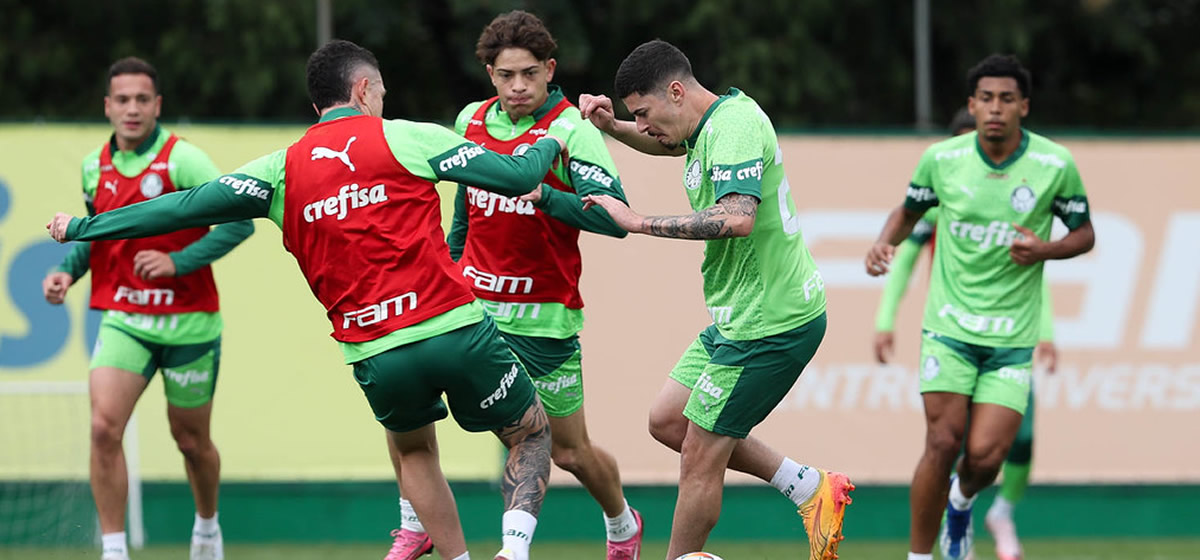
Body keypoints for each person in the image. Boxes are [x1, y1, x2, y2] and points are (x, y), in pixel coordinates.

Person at [47, 39, 572, 560]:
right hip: (455, 329)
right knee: (531, 436)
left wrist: (84, 227)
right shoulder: (409, 138)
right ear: (363, 89)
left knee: (413, 451)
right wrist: (554, 134)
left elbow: (180, 208)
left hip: (376, 354)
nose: (382, 101)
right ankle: (515, 550)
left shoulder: (279, 170)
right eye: (382, 91)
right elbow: (520, 177)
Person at [576, 39, 853, 560]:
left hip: (771, 322)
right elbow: (666, 141)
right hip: (738, 319)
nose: (644, 125)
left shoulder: (734, 127)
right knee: (668, 421)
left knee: (699, 456)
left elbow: (736, 218)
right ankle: (809, 488)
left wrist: (637, 222)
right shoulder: (704, 127)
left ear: (676, 91)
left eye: (643, 113)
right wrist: (613, 128)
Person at [384, 11, 642, 560]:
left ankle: (622, 523)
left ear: (550, 70)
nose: (518, 86)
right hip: (473, 311)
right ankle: (416, 524)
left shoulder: (569, 128)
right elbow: (465, 213)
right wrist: (448, 272)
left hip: (546, 318)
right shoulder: (470, 120)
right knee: (407, 396)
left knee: (570, 451)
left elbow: (615, 218)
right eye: (506, 75)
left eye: (529, 73)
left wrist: (548, 197)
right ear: (489, 73)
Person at [863, 54, 1094, 560]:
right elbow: (908, 212)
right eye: (985, 98)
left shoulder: (1054, 165)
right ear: (972, 104)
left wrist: (1046, 249)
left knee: (987, 456)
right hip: (949, 329)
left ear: (1024, 106)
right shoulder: (942, 161)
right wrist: (886, 243)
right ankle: (921, 556)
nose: (995, 108)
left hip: (1011, 340)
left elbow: (1084, 234)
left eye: (1006, 99)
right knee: (942, 442)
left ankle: (963, 502)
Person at [40, 57, 254, 560]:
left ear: (157, 106)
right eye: (122, 99)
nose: (132, 109)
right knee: (102, 426)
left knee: (191, 442)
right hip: (125, 321)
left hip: (190, 327)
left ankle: (206, 529)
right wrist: (68, 272)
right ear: (108, 107)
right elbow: (97, 234)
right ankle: (114, 549)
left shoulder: (184, 161)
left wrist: (179, 261)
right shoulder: (94, 166)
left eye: (142, 99)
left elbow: (240, 220)